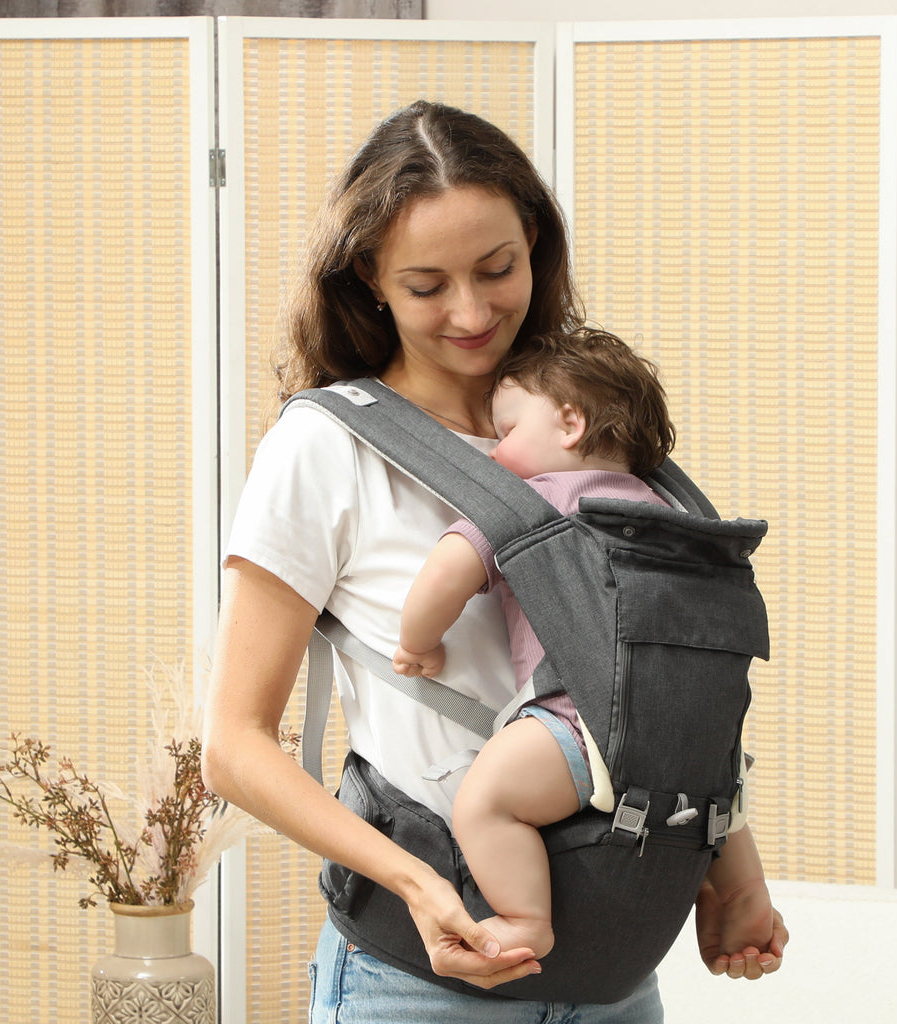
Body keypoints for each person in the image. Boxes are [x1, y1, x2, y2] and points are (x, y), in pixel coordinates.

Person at [201, 100, 787, 1024]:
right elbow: (232, 748)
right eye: (427, 284)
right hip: (419, 983)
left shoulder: (597, 441)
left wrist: (717, 866)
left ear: (535, 246)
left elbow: (661, 687)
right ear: (370, 277)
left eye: (497, 269)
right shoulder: (325, 448)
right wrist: (417, 886)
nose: (472, 312)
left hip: (615, 982)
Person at [392, 327, 681, 959]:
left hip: (581, 721)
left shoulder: (535, 499)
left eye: (508, 430)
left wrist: (419, 642)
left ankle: (525, 919)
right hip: (684, 728)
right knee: (712, 806)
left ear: (570, 424)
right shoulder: (671, 510)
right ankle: (741, 899)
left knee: (485, 802)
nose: (495, 451)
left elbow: (447, 572)